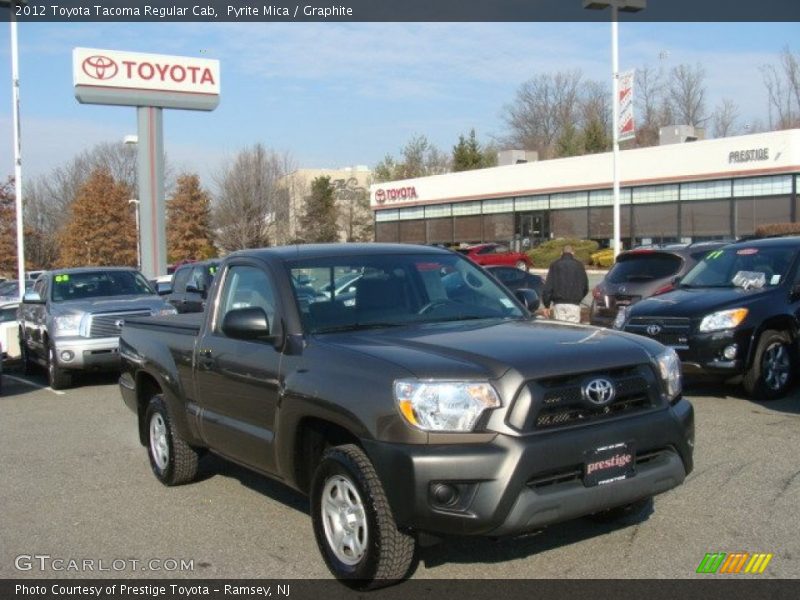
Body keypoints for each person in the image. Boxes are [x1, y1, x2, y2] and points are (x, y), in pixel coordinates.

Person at [542, 245, 588, 323]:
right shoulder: (579, 265)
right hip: (574, 303)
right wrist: (579, 297)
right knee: (573, 330)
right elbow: (585, 286)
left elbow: (548, 287)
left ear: (561, 253)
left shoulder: (555, 265)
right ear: (573, 253)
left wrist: (547, 305)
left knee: (560, 330)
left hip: (558, 303)